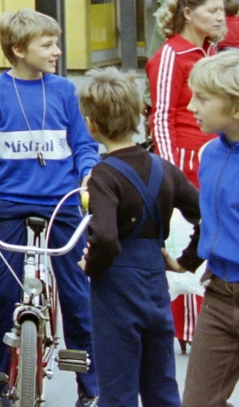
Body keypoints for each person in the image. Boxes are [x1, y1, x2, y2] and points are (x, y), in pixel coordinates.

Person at [0, 9, 99, 407]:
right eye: (47, 44)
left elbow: (85, 145)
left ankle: (92, 388)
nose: (57, 50)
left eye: (57, 42)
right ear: (19, 49)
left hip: (63, 203)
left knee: (77, 294)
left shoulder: (66, 92)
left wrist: (88, 173)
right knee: (3, 292)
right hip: (14, 204)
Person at [76, 67, 200, 407]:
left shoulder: (103, 175)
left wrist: (92, 265)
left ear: (92, 125)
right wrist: (187, 260)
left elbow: (104, 238)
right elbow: (205, 215)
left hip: (116, 285)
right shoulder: (165, 169)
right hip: (155, 281)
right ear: (138, 115)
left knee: (118, 387)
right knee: (161, 384)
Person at [146, 0, 223, 346]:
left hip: (214, 158)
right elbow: (160, 116)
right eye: (214, 10)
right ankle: (189, 331)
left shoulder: (210, 53)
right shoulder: (170, 56)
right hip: (185, 163)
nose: (220, 16)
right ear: (189, 14)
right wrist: (170, 172)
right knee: (188, 241)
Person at [181, 50, 239, 406]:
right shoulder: (210, 154)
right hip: (218, 295)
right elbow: (209, 219)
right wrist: (184, 262)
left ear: (235, 106)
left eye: (202, 98)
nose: (191, 107)